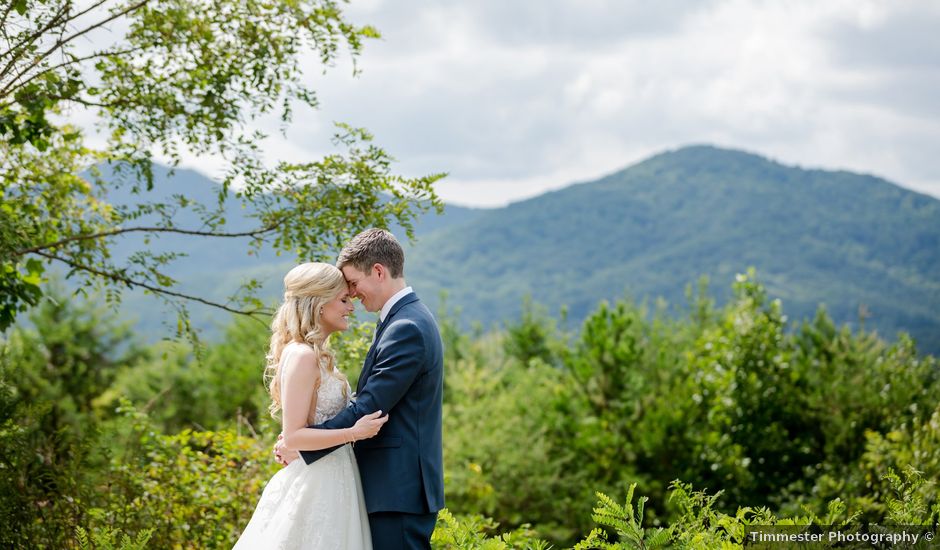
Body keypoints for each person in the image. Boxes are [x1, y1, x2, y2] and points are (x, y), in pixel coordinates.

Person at [275, 228, 445, 550]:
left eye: (352, 283)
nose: (351, 295)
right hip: (384, 488)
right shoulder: (400, 320)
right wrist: (300, 435)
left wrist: (301, 443)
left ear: (378, 271)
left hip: (397, 491)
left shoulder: (406, 326)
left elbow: (370, 405)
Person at [234, 262, 389, 549]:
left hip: (335, 477)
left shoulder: (315, 354)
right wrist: (354, 433)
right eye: (343, 300)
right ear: (319, 304)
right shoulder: (303, 355)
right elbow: (294, 436)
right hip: (317, 483)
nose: (351, 307)